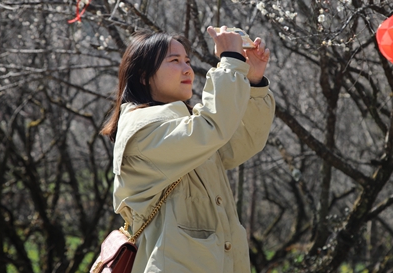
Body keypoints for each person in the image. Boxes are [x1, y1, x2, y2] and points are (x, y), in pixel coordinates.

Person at [100, 26, 275, 273]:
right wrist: (231, 62)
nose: (187, 69)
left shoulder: (185, 126)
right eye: (174, 60)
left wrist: (253, 81)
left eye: (187, 60)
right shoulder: (141, 130)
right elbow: (214, 127)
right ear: (143, 76)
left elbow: (241, 142)